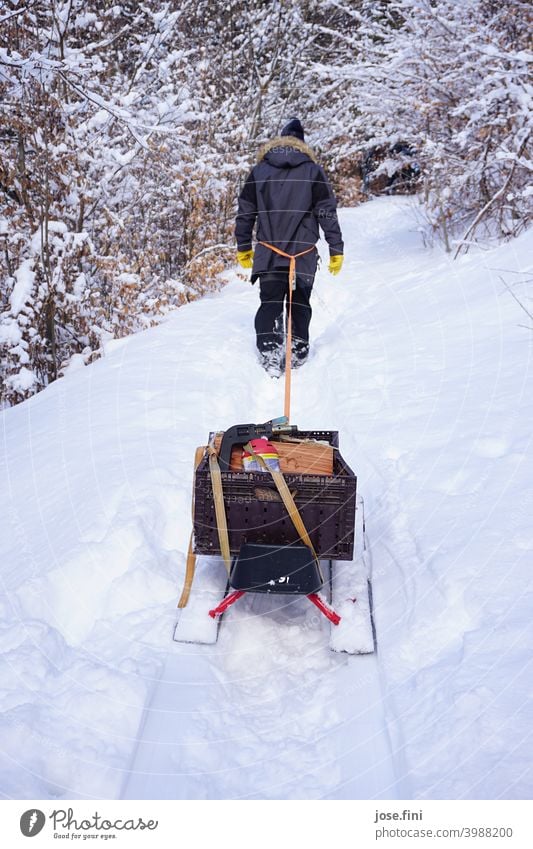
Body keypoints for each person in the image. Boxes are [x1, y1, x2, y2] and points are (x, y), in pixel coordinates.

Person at [235, 117, 344, 375]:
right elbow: (327, 213)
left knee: (270, 301)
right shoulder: (313, 172)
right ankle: (296, 352)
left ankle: (271, 353)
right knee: (300, 304)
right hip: (303, 257)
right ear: (302, 145)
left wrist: (243, 246)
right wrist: (336, 249)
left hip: (269, 255)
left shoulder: (260, 171)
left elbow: (245, 212)